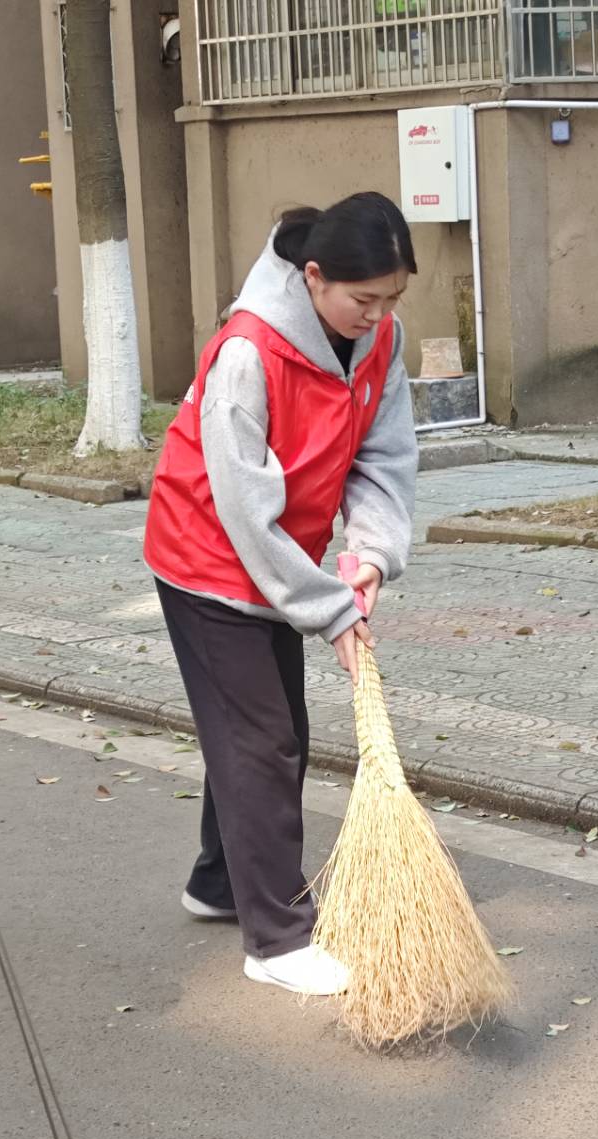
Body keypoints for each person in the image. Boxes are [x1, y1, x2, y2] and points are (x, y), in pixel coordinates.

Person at [145, 192, 418, 998]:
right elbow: (243, 508)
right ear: (313, 277)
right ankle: (276, 939)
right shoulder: (248, 351)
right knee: (262, 740)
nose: (377, 316)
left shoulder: (380, 341)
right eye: (362, 298)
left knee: (265, 732)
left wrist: (369, 556)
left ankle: (219, 883)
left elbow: (383, 458)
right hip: (205, 556)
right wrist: (329, 609)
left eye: (392, 298)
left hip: (280, 559)